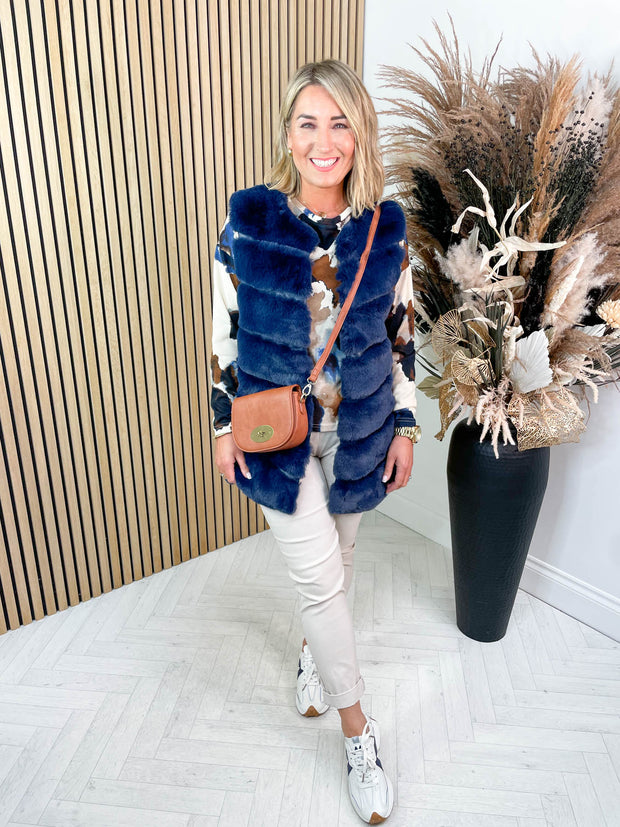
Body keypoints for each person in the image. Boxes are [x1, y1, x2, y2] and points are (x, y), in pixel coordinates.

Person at [210, 58, 418, 825]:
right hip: (277, 433)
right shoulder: (249, 222)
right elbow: (225, 334)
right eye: (308, 123)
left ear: (360, 135)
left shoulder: (385, 230)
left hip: (359, 429)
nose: (323, 141)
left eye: (340, 124)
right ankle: (359, 731)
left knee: (341, 561)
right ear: (288, 133)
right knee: (322, 579)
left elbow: (402, 335)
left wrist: (405, 425)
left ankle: (313, 655)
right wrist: (223, 425)